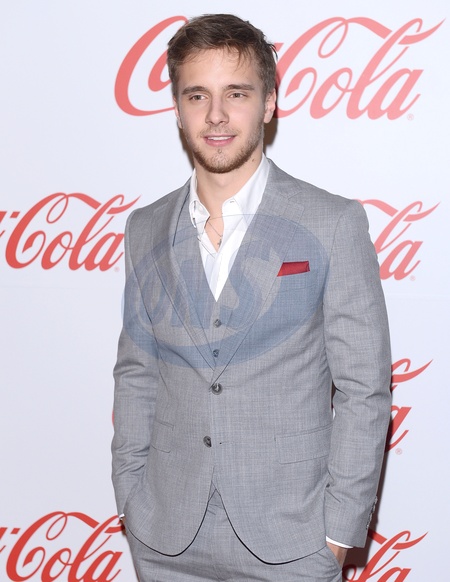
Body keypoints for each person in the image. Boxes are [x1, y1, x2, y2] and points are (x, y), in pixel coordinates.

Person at [111, 13, 392, 582]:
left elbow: (364, 387)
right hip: (165, 538)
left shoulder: (333, 223)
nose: (216, 115)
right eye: (198, 95)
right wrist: (130, 498)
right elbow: (138, 373)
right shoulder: (145, 228)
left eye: (236, 94)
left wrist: (338, 533)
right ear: (178, 109)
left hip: (293, 542)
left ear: (269, 104)